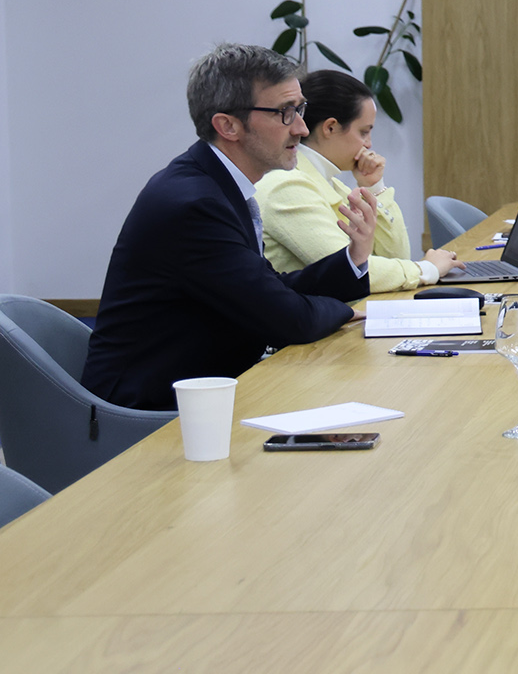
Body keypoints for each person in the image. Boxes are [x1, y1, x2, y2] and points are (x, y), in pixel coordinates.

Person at [82, 43, 376, 411]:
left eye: (300, 109)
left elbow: (266, 287)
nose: (302, 128)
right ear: (228, 126)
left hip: (205, 388)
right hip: (147, 411)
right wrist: (345, 312)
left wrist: (352, 260)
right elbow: (288, 319)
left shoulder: (215, 184)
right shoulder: (194, 204)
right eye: (285, 113)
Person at [256, 69, 458, 292]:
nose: (368, 144)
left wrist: (374, 187)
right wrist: (426, 269)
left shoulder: (331, 184)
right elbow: (350, 270)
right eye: (363, 132)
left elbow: (395, 257)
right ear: (330, 127)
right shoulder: (286, 186)